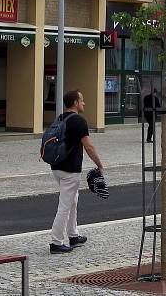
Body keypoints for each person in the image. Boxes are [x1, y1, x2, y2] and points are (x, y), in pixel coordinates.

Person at [50, 90, 104, 254]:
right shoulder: (79, 121)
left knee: (73, 200)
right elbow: (88, 146)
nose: (84, 103)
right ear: (75, 102)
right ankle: (56, 242)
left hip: (57, 166)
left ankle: (73, 235)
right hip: (70, 169)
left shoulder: (60, 118)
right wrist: (99, 164)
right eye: (82, 100)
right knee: (65, 205)